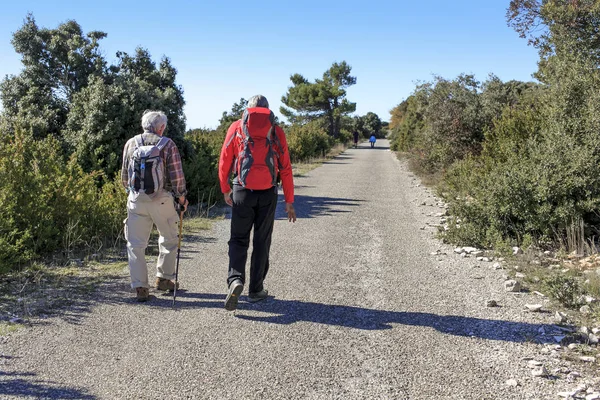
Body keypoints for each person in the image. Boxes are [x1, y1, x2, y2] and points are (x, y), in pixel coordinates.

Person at [218, 95, 296, 311]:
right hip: (268, 192)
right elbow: (286, 167)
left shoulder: (237, 126)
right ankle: (256, 290)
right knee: (262, 241)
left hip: (242, 190)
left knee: (238, 239)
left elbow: (225, 158)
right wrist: (289, 200)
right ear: (268, 110)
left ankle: (235, 280)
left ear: (248, 109)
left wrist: (225, 188)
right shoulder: (276, 131)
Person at [121, 110, 188, 302]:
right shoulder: (167, 144)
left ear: (143, 125)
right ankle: (164, 279)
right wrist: (181, 198)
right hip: (162, 200)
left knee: (135, 245)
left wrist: (135, 193)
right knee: (168, 239)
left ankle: (141, 287)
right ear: (161, 127)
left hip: (136, 200)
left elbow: (124, 178)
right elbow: (177, 176)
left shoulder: (131, 143)